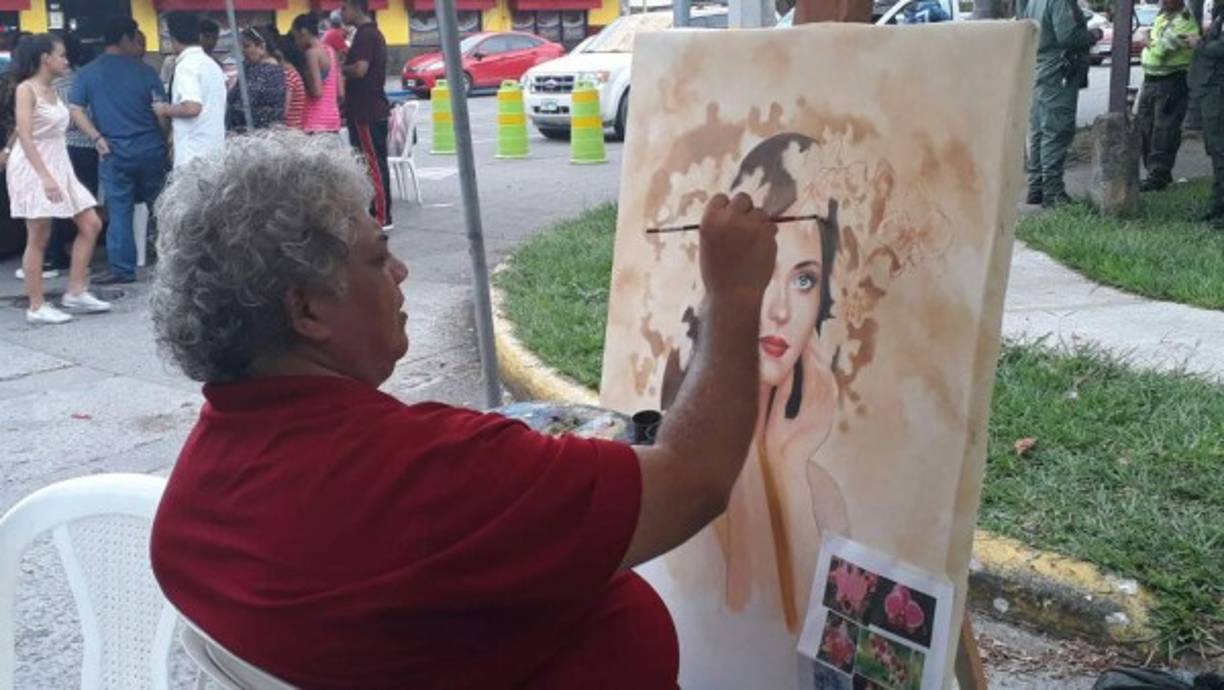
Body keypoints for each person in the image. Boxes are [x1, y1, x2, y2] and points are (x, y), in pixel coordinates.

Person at [148, 128, 777, 688]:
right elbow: (694, 479)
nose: (401, 271)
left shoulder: (196, 493)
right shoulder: (428, 474)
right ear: (306, 310)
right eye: (377, 257)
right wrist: (735, 292)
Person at [659, 133, 849, 631]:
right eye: (762, 272)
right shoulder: (680, 481)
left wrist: (787, 465)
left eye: (804, 280)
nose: (782, 309)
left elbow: (819, 643)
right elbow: (748, 633)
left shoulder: (822, 491)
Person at [4, 34, 109, 325]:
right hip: (34, 166)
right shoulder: (26, 89)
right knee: (39, 235)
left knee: (91, 223)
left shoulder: (52, 89)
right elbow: (25, 135)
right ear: (45, 59)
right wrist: (44, 176)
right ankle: (36, 306)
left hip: (59, 163)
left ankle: (76, 291)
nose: (66, 60)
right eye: (61, 55)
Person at [69, 17, 168, 285]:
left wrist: (96, 137)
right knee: (161, 208)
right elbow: (160, 114)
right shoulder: (145, 71)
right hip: (150, 148)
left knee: (120, 211)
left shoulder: (87, 73)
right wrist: (165, 139)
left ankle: (123, 269)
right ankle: (172, 262)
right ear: (125, 38)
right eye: (135, 36)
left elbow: (75, 109)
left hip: (113, 151)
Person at [1020, 0, 1102, 208]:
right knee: (1056, 131)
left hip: (1040, 69)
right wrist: (1093, 35)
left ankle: (1036, 187)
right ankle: (1053, 192)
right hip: (1058, 73)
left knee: (1039, 131)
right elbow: (1068, 37)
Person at [1136, 0, 1201, 191]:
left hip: (1171, 81)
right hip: (1151, 79)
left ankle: (1158, 176)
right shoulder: (1163, 17)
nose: (1162, 1)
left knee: (1164, 131)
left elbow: (1161, 50)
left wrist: (1146, 41)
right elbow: (1155, 44)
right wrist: (1149, 41)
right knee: (1145, 128)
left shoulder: (1185, 20)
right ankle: (1153, 172)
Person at [341, 0, 393, 230]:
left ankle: (381, 216)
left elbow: (360, 69)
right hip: (366, 109)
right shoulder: (367, 34)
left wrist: (339, 69)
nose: (341, 12)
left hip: (367, 111)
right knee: (369, 163)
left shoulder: (365, 35)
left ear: (356, 8)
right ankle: (376, 211)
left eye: (344, 8)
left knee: (373, 164)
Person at [46, 31, 94, 275]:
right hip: (83, 148)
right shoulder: (80, 80)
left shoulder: (52, 84)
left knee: (65, 205)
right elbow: (79, 117)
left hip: (64, 148)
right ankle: (69, 255)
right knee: (81, 205)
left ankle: (57, 254)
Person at [155, 13, 226, 170]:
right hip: (215, 150)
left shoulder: (186, 66)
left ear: (173, 38)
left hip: (193, 155)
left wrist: (164, 109)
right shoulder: (212, 65)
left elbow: (192, 108)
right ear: (198, 36)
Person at [292, 12, 344, 135]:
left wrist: (304, 76)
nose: (296, 42)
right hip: (332, 121)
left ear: (303, 32)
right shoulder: (331, 51)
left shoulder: (311, 54)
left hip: (314, 122)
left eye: (296, 36)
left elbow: (317, 91)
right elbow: (341, 93)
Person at [226, 26, 286, 132]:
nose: (243, 50)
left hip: (260, 131)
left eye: (247, 46)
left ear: (262, 47)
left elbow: (245, 103)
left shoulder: (269, 71)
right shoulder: (251, 67)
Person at [1199, 3, 1224, 225]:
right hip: (1213, 90)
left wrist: (1199, 44)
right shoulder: (1220, 14)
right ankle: (1217, 205)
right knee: (1216, 151)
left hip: (1219, 89)